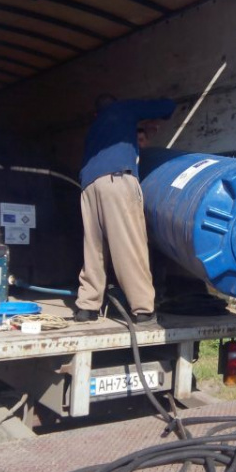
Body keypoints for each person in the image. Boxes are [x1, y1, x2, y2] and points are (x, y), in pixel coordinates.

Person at [74, 95, 176, 324]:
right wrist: (146, 120)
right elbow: (166, 106)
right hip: (116, 180)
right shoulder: (124, 109)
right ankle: (142, 309)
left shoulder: (97, 129)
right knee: (130, 244)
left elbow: (122, 136)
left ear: (95, 114)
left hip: (89, 186)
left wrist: (137, 129)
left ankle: (87, 306)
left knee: (94, 248)